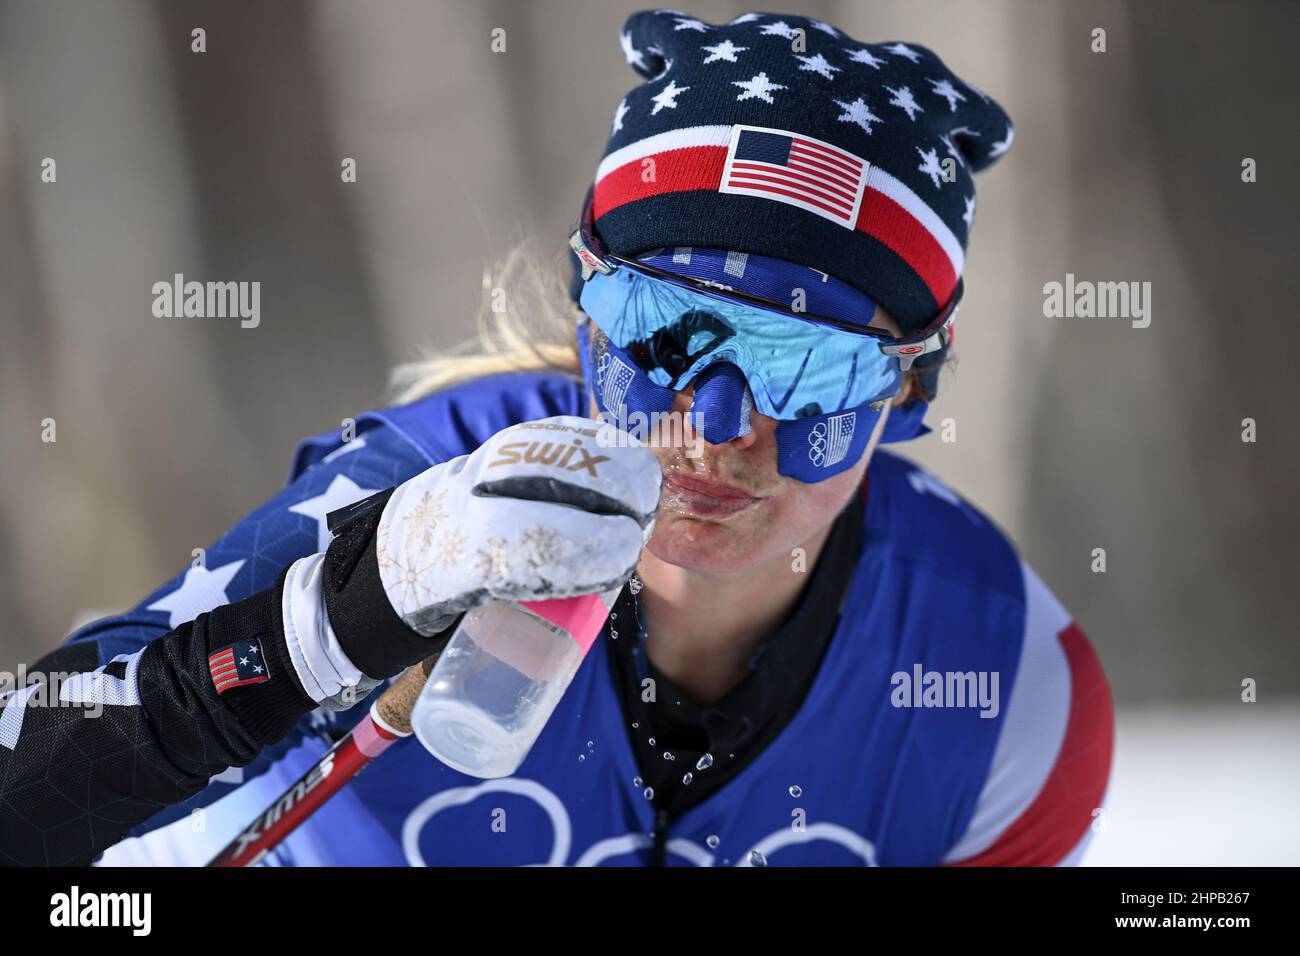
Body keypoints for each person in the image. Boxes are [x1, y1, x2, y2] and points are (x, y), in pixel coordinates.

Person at [0, 10, 1112, 867]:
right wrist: (338, 615)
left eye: (804, 364)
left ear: (909, 391)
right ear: (585, 319)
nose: (713, 424)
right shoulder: (411, 488)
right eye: (658, 330)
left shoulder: (1006, 685)